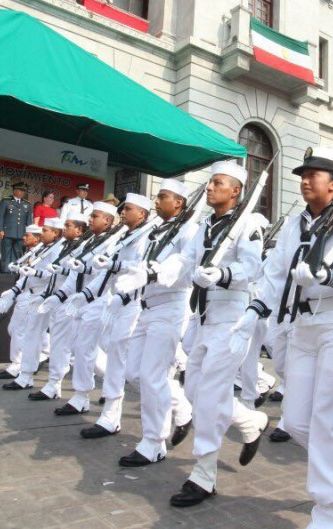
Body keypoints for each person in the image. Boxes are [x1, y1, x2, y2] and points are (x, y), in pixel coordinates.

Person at [246, 147, 333, 527]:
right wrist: (257, 307)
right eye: (303, 174)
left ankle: (327, 513)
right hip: (303, 327)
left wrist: (327, 276)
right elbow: (275, 272)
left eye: (314, 175)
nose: (305, 180)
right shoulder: (295, 224)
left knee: (328, 422)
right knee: (297, 420)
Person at [168, 161, 268, 509]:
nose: (210, 188)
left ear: (236, 190)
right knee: (194, 390)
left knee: (209, 398)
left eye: (218, 183)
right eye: (210, 183)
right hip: (203, 316)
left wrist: (224, 272)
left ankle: (204, 475)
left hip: (231, 317)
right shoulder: (205, 225)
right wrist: (171, 268)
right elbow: (190, 259)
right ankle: (250, 420)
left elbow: (253, 267)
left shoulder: (249, 223)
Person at [110, 179, 198, 465]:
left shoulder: (188, 231)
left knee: (152, 377)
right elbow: (140, 264)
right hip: (146, 307)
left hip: (170, 307)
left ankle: (153, 442)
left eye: (162, 197)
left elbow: (187, 270)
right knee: (134, 371)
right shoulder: (157, 232)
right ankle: (182, 407)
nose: (156, 201)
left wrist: (153, 272)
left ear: (179, 203)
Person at [80, 192, 159, 439]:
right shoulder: (124, 236)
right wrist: (85, 295)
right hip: (116, 303)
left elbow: (141, 270)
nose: (122, 213)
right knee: (114, 355)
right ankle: (110, 416)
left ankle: (178, 409)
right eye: (122, 209)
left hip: (134, 303)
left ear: (142, 214)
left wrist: (120, 290)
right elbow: (108, 273)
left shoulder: (149, 237)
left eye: (129, 209)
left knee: (127, 362)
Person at [53, 201, 122, 414]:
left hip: (98, 300)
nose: (90, 220)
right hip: (81, 299)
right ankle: (106, 381)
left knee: (85, 348)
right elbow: (75, 271)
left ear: (108, 221)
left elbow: (103, 275)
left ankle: (81, 395)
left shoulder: (113, 243)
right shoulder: (88, 242)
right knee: (79, 348)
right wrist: (61, 295)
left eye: (95, 216)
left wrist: (85, 295)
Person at [29, 212, 92, 399]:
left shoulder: (82, 247)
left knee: (69, 347)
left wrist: (59, 294)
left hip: (71, 301)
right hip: (60, 298)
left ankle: (54, 384)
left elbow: (76, 275)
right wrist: (50, 295)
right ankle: (53, 385)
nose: (65, 229)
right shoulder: (65, 245)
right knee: (63, 345)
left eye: (69, 226)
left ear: (79, 230)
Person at [0, 222, 63, 380]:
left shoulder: (56, 250)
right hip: (27, 292)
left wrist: (35, 273)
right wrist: (13, 291)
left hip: (40, 294)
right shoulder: (40, 250)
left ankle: (18, 365)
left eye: (44, 231)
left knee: (26, 331)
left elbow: (53, 276)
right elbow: (26, 276)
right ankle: (41, 354)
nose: (41, 234)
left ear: (55, 233)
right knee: (17, 329)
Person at [0, 181, 32, 272]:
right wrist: (0, 229)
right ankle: (5, 270)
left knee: (18, 252)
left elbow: (29, 221)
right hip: (7, 231)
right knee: (6, 253)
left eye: (24, 191)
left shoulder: (27, 204)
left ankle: (15, 270)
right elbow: (0, 216)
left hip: (21, 233)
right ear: (15, 191)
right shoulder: (6, 201)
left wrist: (27, 233)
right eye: (20, 190)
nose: (22, 192)